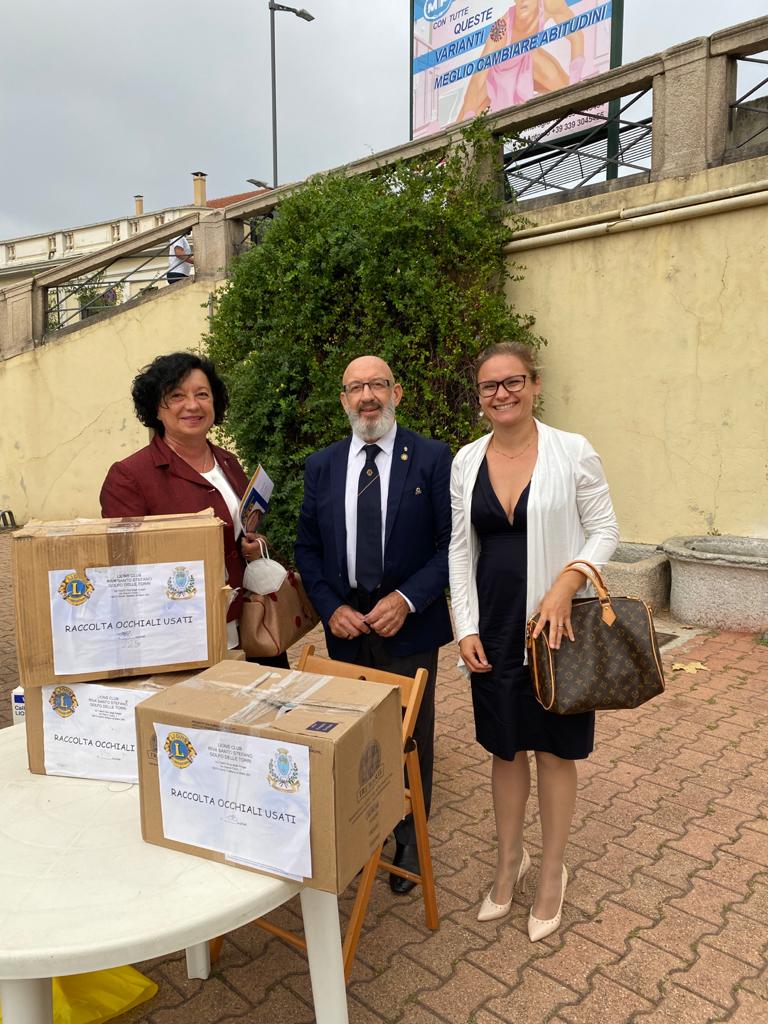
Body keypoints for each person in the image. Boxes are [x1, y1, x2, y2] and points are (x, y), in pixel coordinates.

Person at [449, 341, 618, 940]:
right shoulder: (467, 460)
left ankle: (551, 871)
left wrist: (567, 582)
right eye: (490, 386)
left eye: (513, 381)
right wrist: (463, 625)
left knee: (553, 748)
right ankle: (507, 861)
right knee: (504, 747)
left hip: (556, 627)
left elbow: (605, 529)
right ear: (480, 398)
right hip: (491, 628)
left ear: (535, 384)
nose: (502, 393)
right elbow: (460, 547)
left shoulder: (573, 451)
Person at [295, 355, 453, 893]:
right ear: (343, 400)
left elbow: (450, 546)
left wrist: (408, 599)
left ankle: (410, 834)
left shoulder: (432, 459)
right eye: (356, 387)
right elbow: (308, 549)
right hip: (346, 628)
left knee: (409, 737)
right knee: (348, 734)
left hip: (407, 626)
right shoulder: (322, 466)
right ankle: (363, 831)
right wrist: (328, 607)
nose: (367, 396)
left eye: (377, 385)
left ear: (397, 393)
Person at [100, 351, 288, 667]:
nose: (192, 405)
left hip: (251, 623)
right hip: (184, 636)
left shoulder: (227, 462)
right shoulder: (130, 476)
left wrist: (254, 546)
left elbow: (243, 530)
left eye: (202, 394)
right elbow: (123, 568)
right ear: (156, 409)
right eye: (176, 396)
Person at [459, 0, 586, 120]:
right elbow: (479, 74)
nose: (522, 1)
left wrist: (575, 75)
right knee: (467, 112)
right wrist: (469, 113)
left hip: (530, 61)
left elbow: (576, 37)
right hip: (499, 73)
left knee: (569, 90)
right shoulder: (501, 26)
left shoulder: (550, 3)